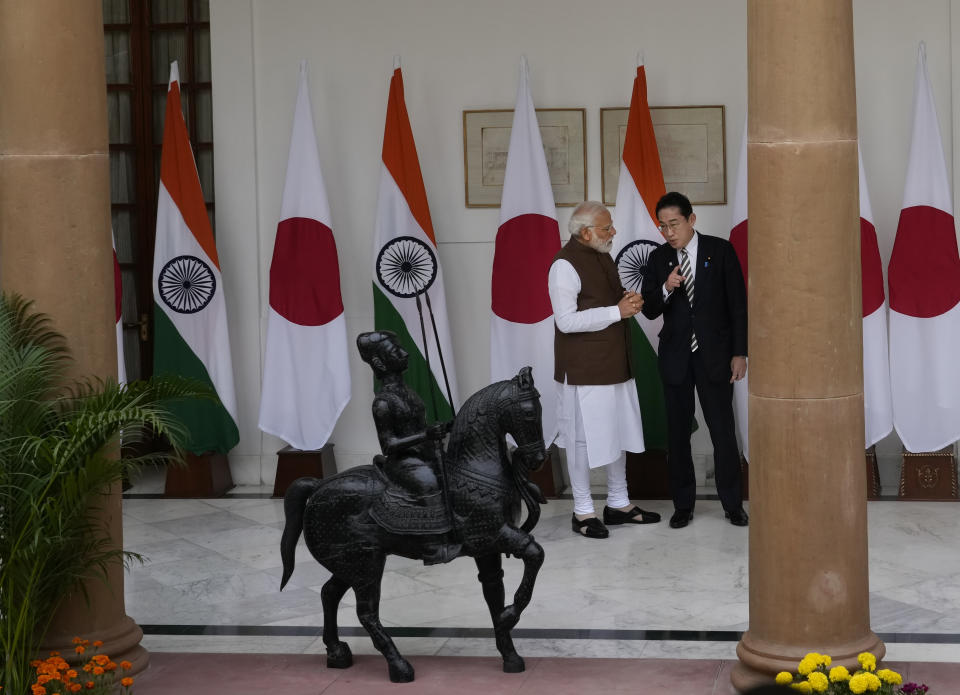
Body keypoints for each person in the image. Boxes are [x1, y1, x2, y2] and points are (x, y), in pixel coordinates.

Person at [548, 200, 661, 539]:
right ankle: (582, 512)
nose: (614, 232)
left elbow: (607, 304)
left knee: (619, 432)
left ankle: (619, 503)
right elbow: (565, 322)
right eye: (607, 228)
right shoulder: (564, 266)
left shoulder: (602, 254)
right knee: (581, 440)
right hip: (584, 370)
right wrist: (617, 311)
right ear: (585, 232)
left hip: (615, 363)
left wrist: (629, 302)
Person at [640, 191, 748, 529]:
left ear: (691, 220)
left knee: (723, 432)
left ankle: (733, 504)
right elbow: (650, 306)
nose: (669, 232)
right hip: (675, 358)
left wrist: (739, 352)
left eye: (674, 224)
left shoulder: (721, 251)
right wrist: (667, 287)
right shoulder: (658, 259)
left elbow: (738, 306)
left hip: (715, 356)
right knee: (677, 435)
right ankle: (683, 505)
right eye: (663, 226)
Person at [357, 330, 459, 564]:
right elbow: (389, 444)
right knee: (427, 481)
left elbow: (418, 426)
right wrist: (425, 435)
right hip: (403, 461)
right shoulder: (383, 402)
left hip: (422, 453)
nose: (405, 354)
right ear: (379, 362)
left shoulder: (408, 392)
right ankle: (432, 546)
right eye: (396, 352)